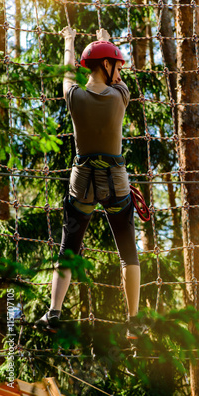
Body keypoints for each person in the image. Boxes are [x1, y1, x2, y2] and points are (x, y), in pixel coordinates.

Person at [35, 26, 141, 340]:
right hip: (116, 183)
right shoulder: (121, 96)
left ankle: (53, 312)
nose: (120, 70)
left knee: (69, 249)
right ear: (108, 65)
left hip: (81, 182)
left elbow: (69, 73)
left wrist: (68, 39)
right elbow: (118, 77)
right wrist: (106, 40)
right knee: (128, 252)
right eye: (117, 64)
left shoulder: (74, 97)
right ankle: (133, 321)